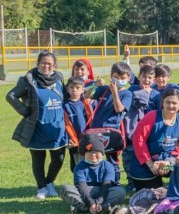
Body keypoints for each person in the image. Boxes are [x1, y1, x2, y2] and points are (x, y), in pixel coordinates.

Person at [7, 51, 68, 200]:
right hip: (37, 127)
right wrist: (25, 111)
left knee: (58, 157)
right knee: (38, 159)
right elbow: (11, 96)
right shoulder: (28, 79)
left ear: (54, 65)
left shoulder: (59, 78)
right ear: (37, 63)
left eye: (49, 63)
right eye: (43, 63)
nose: (46, 66)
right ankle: (41, 188)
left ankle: (50, 183)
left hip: (57, 127)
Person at [130, 88, 179, 190]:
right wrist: (150, 164)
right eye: (168, 102)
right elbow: (139, 141)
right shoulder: (151, 117)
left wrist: (168, 163)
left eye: (174, 103)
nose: (171, 106)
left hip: (170, 161)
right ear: (162, 102)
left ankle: (177, 188)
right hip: (148, 163)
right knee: (151, 194)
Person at [59, 134, 127, 214]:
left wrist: (99, 202)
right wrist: (91, 203)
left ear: (102, 153)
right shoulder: (79, 167)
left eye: (96, 152)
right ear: (84, 154)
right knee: (65, 189)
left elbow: (106, 185)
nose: (93, 155)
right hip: (85, 191)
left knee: (120, 191)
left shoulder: (108, 166)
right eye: (89, 152)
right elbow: (81, 187)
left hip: (103, 191)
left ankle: (95, 207)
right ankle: (95, 208)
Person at [63, 76, 94, 173]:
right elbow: (63, 125)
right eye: (71, 87)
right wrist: (68, 139)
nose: (74, 90)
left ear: (83, 90)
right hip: (74, 142)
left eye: (77, 88)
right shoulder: (64, 106)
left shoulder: (86, 103)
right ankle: (80, 183)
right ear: (67, 89)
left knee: (90, 162)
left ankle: (90, 184)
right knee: (77, 165)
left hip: (87, 140)